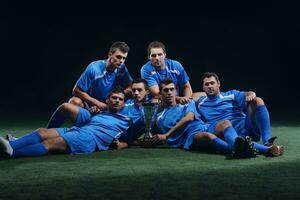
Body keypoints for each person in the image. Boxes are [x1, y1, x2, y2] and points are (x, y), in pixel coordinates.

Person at [0, 88, 131, 158]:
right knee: (42, 132)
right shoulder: (102, 113)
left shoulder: (126, 120)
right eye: (114, 98)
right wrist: (92, 112)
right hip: (80, 129)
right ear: (107, 100)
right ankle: (11, 144)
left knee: (49, 143)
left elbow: (133, 138)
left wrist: (124, 144)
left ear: (124, 103)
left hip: (89, 139)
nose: (117, 101)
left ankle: (12, 153)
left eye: (120, 99)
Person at [149, 79, 253, 156]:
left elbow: (189, 118)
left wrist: (166, 135)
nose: (169, 93)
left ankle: (265, 149)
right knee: (207, 136)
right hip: (190, 137)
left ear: (176, 91)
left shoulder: (187, 103)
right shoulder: (158, 117)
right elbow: (151, 135)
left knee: (225, 123)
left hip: (204, 127)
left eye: (172, 89)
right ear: (160, 93)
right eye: (166, 90)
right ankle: (239, 150)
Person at [193, 72, 284, 156]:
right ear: (203, 87)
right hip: (226, 131)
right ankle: (268, 150)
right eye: (206, 84)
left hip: (246, 127)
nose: (210, 86)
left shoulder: (231, 94)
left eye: (212, 83)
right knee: (229, 128)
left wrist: (251, 94)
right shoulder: (201, 101)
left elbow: (247, 94)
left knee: (257, 100)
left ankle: (267, 141)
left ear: (218, 84)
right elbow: (188, 97)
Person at [46, 41, 133, 128]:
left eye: (124, 58)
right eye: (118, 57)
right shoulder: (94, 68)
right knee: (74, 101)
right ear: (110, 55)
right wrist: (98, 104)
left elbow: (130, 87)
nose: (121, 61)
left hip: (108, 105)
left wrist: (117, 97)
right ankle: (54, 130)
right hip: (90, 104)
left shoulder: (122, 68)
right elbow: (76, 91)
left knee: (129, 103)